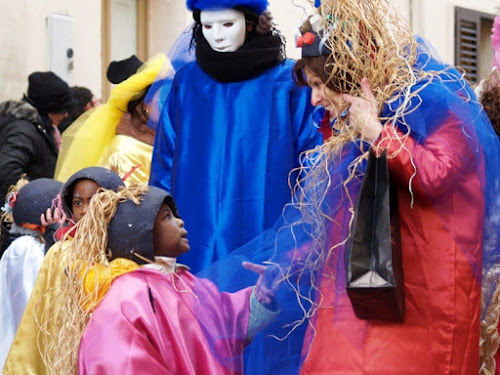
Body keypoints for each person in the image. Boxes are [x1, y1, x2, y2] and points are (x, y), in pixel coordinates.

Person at [279, 1, 500, 374]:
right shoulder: (355, 122)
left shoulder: (437, 98)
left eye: (319, 84)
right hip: (364, 298)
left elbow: (436, 175)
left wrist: (379, 133)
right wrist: (288, 266)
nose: (314, 99)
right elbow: (346, 222)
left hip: (425, 301)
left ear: (347, 71)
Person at [150, 0, 322, 273]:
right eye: (207, 26)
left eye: (228, 24)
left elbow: (314, 165)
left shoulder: (290, 84)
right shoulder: (187, 84)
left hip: (270, 240)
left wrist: (302, 243)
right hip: (194, 235)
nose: (217, 35)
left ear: (252, 23)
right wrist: (160, 237)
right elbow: (164, 161)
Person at [39, 184, 278, 374]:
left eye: (175, 215)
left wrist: (261, 297)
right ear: (141, 232)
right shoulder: (126, 298)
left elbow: (227, 323)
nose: (180, 221)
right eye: (166, 217)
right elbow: (117, 361)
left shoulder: (185, 282)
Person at [2, 167, 124, 375]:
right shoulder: (59, 252)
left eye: (95, 199)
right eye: (78, 203)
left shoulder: (129, 250)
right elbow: (40, 316)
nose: (86, 210)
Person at [54, 54, 167, 185]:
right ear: (142, 106)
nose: (169, 104)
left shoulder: (162, 135)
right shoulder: (124, 151)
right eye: (162, 98)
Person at [0, 177, 63, 370]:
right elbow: (35, 301)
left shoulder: (22, 246)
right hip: (20, 356)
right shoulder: (25, 250)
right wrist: (55, 238)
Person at [0, 71, 73, 200]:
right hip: (19, 215)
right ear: (49, 107)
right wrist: (38, 199)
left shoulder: (39, 127)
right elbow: (8, 170)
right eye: (62, 109)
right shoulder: (23, 130)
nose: (65, 115)